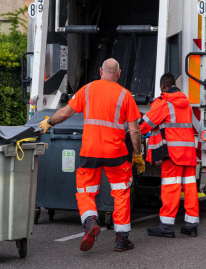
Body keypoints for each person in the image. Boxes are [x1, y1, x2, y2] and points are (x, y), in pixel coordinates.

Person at [39, 58, 145, 252]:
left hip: (90, 151)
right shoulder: (125, 95)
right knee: (121, 192)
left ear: (100, 71)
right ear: (119, 74)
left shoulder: (87, 89)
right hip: (116, 153)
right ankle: (121, 240)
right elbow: (134, 131)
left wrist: (49, 123)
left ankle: (90, 222)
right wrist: (137, 154)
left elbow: (64, 113)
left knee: (86, 191)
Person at [140, 73, 199, 238]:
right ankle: (191, 226)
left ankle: (166, 227)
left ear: (163, 86)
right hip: (188, 153)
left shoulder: (164, 103)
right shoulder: (185, 103)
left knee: (170, 189)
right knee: (190, 189)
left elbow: (144, 125)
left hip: (173, 154)